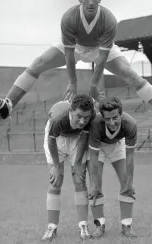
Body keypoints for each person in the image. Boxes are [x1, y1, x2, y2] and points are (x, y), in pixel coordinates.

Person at [0, 0, 152, 127]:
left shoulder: (109, 20)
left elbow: (103, 58)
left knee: (130, 74)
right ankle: (8, 105)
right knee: (38, 63)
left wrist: (94, 85)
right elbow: (70, 55)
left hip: (100, 49)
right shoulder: (69, 19)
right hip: (75, 47)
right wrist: (72, 82)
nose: (90, 1)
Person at [41, 94, 95, 241]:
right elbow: (51, 141)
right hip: (56, 139)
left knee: (79, 180)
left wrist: (77, 162)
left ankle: (83, 225)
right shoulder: (58, 118)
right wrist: (57, 166)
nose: (83, 120)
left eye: (86, 117)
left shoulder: (91, 114)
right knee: (55, 181)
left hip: (76, 140)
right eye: (79, 116)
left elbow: (84, 136)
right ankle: (52, 227)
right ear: (71, 110)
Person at [87, 97, 138, 239]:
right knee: (95, 185)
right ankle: (99, 226)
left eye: (115, 117)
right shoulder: (96, 124)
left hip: (117, 146)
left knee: (126, 183)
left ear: (121, 114)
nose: (111, 122)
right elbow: (93, 158)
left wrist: (129, 182)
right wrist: (94, 183)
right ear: (102, 117)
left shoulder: (130, 124)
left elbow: (130, 158)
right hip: (98, 148)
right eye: (107, 119)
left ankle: (126, 227)